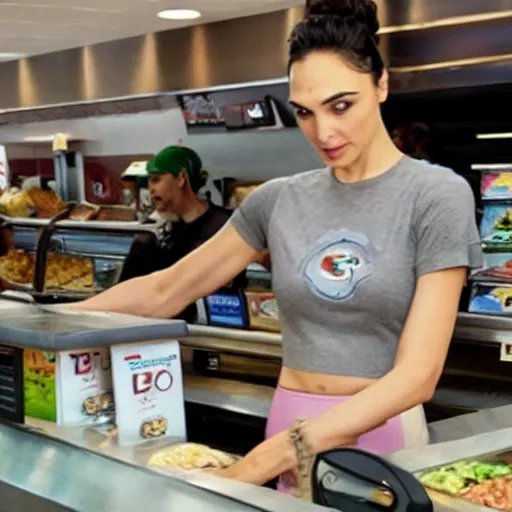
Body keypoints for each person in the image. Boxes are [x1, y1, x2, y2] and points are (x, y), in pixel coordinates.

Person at [70, 0, 482, 497]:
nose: (323, 132)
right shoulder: (279, 199)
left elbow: (418, 376)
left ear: (381, 85)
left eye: (341, 105)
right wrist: (46, 325)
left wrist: (273, 454)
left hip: (380, 432)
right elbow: (164, 290)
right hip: (290, 418)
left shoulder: (436, 194)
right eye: (304, 112)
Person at [118, 145, 241, 321]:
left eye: (156, 179)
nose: (151, 189)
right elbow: (128, 290)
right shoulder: (156, 236)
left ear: (181, 178)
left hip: (216, 328)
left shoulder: (225, 225)